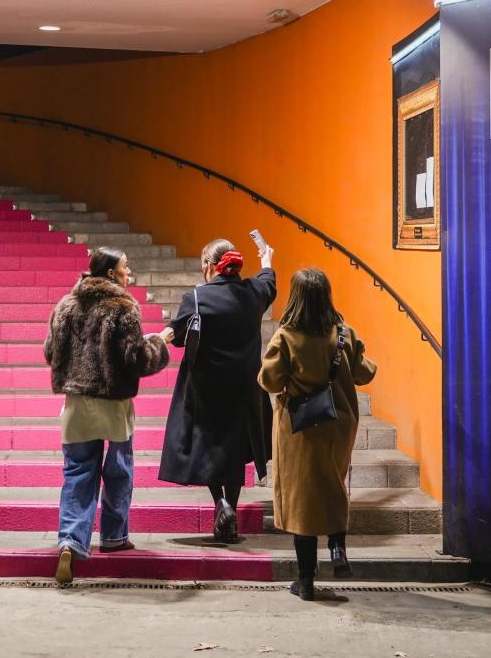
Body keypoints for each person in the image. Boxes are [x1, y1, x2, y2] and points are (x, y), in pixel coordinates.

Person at [42, 247, 171, 584]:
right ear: (112, 273)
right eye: (126, 267)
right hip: (113, 406)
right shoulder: (123, 308)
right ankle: (114, 537)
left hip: (77, 405)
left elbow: (50, 352)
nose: (130, 274)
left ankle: (70, 542)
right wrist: (160, 342)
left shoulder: (66, 306)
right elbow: (137, 359)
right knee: (118, 471)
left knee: (77, 473)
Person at [258, 268, 373, 601]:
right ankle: (338, 549)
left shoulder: (286, 337)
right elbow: (364, 373)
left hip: (301, 428)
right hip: (339, 423)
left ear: (296, 298)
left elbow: (269, 381)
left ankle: (305, 581)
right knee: (333, 484)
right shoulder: (344, 333)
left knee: (302, 501)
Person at [158, 236, 277, 542]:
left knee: (209, 447)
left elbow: (179, 335)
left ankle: (220, 504)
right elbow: (269, 283)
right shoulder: (254, 292)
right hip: (245, 387)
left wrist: (161, 337)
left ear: (208, 266)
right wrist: (266, 260)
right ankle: (230, 512)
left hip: (206, 387)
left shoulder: (197, 298)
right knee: (235, 450)